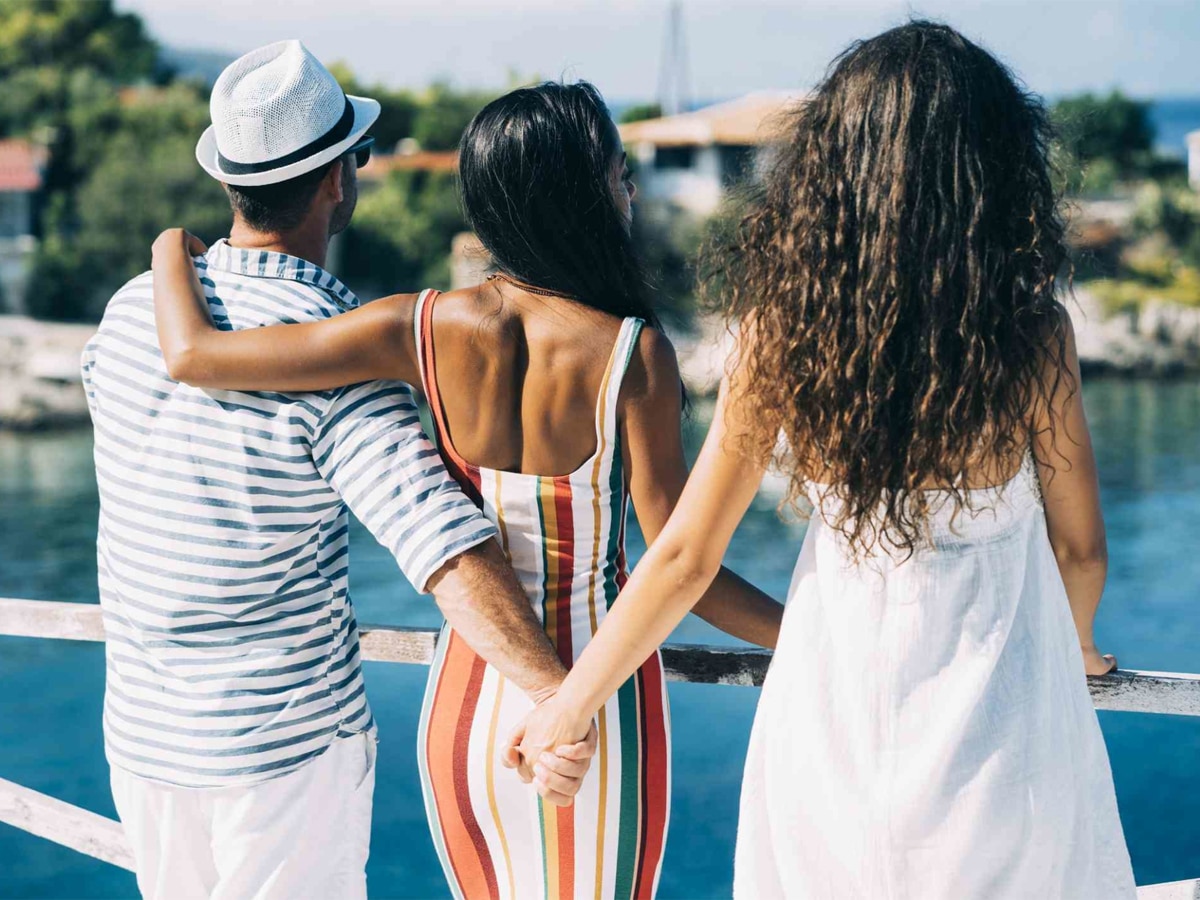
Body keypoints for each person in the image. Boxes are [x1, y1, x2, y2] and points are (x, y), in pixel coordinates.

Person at [508, 22, 1137, 899]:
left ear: (832, 173)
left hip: (830, 721)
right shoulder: (1031, 337)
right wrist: (1078, 649)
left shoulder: (782, 338)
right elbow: (1081, 551)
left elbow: (684, 557)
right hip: (1004, 732)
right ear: (994, 166)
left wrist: (570, 703)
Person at [151, 81, 784, 898]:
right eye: (618, 172)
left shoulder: (419, 326)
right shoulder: (635, 357)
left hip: (465, 704)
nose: (627, 189)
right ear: (581, 197)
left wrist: (172, 247)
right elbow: (683, 566)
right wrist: (805, 636)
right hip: (588, 710)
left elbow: (195, 357)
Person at [84, 41, 592, 900]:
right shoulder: (333, 345)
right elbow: (443, 551)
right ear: (336, 181)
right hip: (279, 758)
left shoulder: (134, 310)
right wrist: (557, 697)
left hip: (142, 739)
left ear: (230, 180)